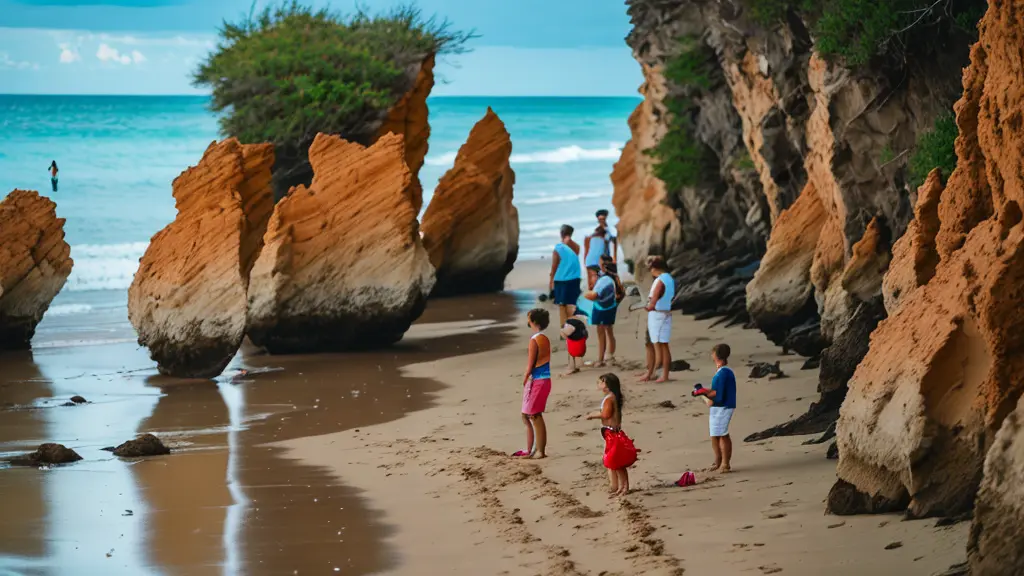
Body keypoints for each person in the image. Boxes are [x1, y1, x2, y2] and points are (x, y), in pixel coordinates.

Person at [693, 343, 737, 472]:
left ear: (716, 355)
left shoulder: (724, 373)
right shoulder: (722, 371)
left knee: (722, 433)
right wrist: (703, 391)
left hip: (724, 406)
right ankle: (718, 460)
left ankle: (725, 463)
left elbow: (717, 393)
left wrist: (704, 393)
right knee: (714, 434)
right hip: (718, 406)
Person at [517, 309, 553, 459]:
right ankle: (536, 448)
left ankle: (540, 450)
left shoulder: (534, 340)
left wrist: (525, 378)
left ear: (534, 321)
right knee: (532, 414)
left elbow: (530, 363)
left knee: (535, 415)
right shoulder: (544, 338)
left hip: (538, 380)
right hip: (545, 379)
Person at [586, 373, 629, 497]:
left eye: (601, 382)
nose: (598, 384)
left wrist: (593, 415)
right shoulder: (611, 397)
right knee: (612, 461)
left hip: (612, 433)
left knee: (616, 461)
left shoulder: (610, 399)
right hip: (610, 433)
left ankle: (623, 487)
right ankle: (617, 486)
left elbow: (605, 414)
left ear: (607, 385)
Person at [582, 254, 625, 367]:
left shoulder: (604, 279)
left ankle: (601, 359)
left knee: (601, 332)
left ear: (604, 265)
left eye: (600, 263)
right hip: (611, 306)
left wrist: (583, 295)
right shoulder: (613, 277)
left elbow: (594, 295)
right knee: (609, 331)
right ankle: (610, 356)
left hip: (602, 308)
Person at [639, 256, 675, 383]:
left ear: (655, 269)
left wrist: (646, 307)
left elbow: (653, 301)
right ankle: (664, 374)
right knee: (664, 345)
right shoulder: (669, 278)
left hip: (657, 315)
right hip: (666, 313)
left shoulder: (659, 280)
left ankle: (655, 372)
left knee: (656, 344)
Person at [549, 224, 582, 331]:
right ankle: (572, 328)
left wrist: (551, 280)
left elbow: (554, 266)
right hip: (575, 278)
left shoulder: (558, 248)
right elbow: (574, 254)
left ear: (561, 233)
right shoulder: (576, 246)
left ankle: (564, 329)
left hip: (561, 279)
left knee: (562, 306)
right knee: (571, 305)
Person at [560, 306, 589, 376]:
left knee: (572, 355)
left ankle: (572, 368)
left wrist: (562, 332)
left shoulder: (571, 323)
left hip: (574, 344)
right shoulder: (581, 322)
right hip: (581, 343)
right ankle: (577, 366)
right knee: (578, 356)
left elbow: (566, 332)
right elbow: (586, 334)